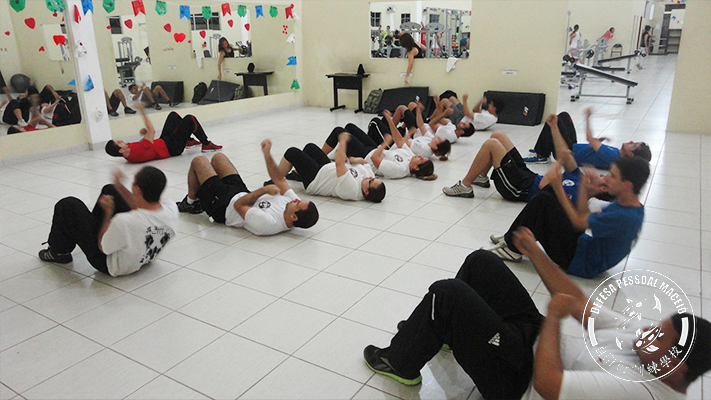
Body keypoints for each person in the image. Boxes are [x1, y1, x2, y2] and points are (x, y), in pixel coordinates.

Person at [365, 233, 711, 399]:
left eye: (658, 337)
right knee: (480, 262)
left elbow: (548, 385)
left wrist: (553, 321)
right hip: (533, 346)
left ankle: (401, 363)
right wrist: (536, 251)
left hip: (522, 383)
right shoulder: (647, 346)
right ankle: (441, 329)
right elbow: (577, 302)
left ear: (676, 369)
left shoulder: (643, 392)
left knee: (448, 294)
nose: (646, 332)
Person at [487, 155, 649, 278]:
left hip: (579, 261)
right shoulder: (629, 204)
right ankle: (513, 237)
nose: (606, 178)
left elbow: (578, 222)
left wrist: (559, 187)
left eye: (612, 176)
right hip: (583, 246)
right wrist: (586, 191)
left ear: (627, 185)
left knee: (546, 199)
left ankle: (512, 247)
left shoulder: (623, 217)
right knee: (550, 193)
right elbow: (583, 216)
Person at [38, 166, 178, 277]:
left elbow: (103, 247)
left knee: (68, 205)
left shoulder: (123, 221)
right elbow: (140, 206)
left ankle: (58, 253)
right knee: (110, 189)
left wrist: (108, 213)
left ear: (137, 189)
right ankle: (91, 225)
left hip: (109, 264)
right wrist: (119, 185)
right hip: (145, 256)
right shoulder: (171, 207)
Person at [443, 115, 607, 200]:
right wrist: (553, 127)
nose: (601, 174)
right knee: (498, 135)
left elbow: (544, 185)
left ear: (602, 189)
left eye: (603, 179)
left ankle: (464, 186)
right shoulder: (581, 178)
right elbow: (564, 153)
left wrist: (557, 169)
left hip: (519, 188)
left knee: (491, 145)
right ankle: (481, 177)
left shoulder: (577, 197)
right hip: (528, 176)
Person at [177, 140, 319, 236]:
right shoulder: (292, 205)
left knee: (199, 161)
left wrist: (264, 190)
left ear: (293, 217)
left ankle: (190, 202)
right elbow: (279, 179)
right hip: (241, 192)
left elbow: (239, 205)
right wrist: (267, 155)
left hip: (224, 206)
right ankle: (200, 194)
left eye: (297, 203)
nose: (295, 200)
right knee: (218, 157)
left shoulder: (268, 223)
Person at [278, 133, 386, 203]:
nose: (370, 177)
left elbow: (340, 164)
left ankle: (276, 180)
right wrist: (355, 160)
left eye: (371, 181)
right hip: (326, 167)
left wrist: (343, 142)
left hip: (316, 179)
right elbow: (365, 162)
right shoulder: (368, 178)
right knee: (310, 148)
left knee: (292, 152)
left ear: (366, 191)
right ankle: (298, 174)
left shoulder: (353, 190)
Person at [525, 108, 652, 167]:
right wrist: (600, 140)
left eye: (634, 145)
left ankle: (541, 155)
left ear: (630, 155)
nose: (631, 142)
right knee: (564, 116)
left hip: (567, 153)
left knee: (554, 121)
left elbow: (589, 139)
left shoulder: (613, 156)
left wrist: (588, 117)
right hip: (573, 146)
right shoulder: (616, 153)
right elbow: (595, 147)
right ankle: (542, 149)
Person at [104, 103, 222, 162]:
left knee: (173, 116)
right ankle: (206, 144)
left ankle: (188, 140)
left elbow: (143, 144)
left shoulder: (128, 152)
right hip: (172, 148)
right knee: (190, 119)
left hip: (163, 141)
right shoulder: (136, 153)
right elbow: (152, 130)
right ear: (120, 150)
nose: (121, 140)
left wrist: (145, 135)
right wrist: (142, 110)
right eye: (119, 142)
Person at [322, 122, 435, 180]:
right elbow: (400, 141)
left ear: (416, 167)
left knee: (339, 131)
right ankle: (339, 152)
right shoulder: (410, 157)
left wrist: (384, 144)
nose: (419, 156)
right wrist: (391, 122)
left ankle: (321, 156)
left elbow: (374, 159)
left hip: (365, 156)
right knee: (350, 127)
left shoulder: (399, 170)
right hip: (372, 148)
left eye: (421, 159)